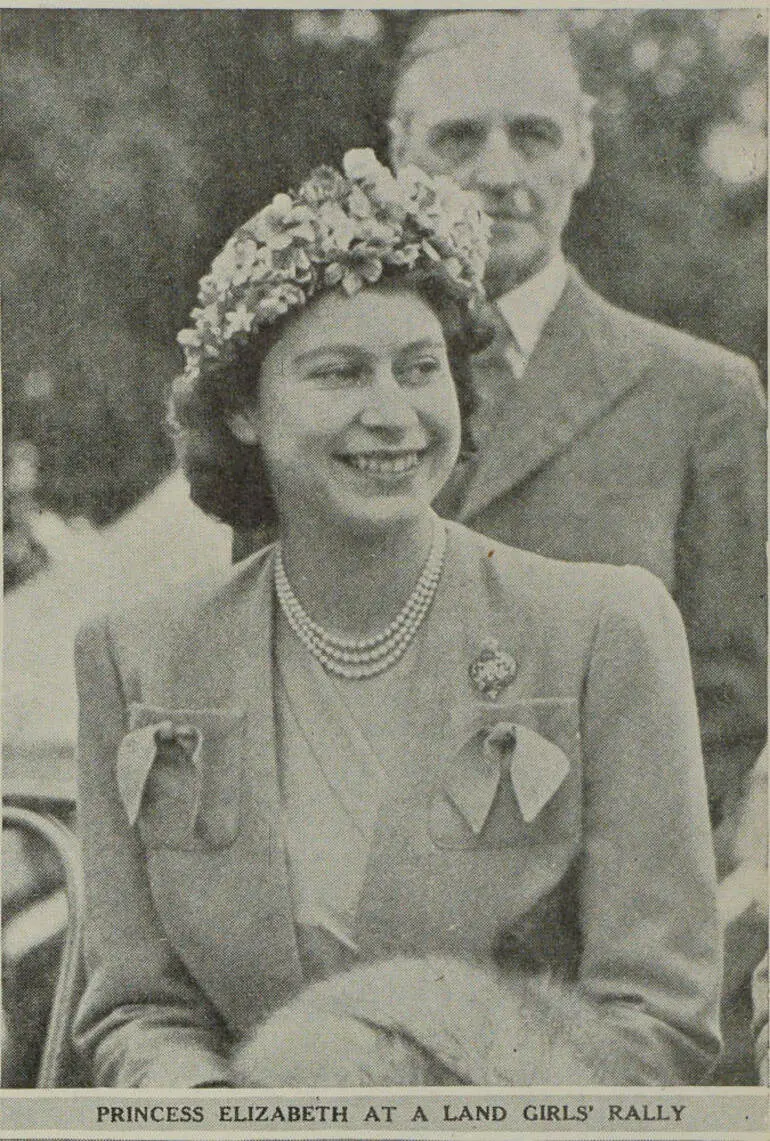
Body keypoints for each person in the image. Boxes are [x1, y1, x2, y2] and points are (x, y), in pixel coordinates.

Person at [73, 150, 720, 1088]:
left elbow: (656, 1021)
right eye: (339, 374)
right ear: (244, 411)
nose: (394, 413)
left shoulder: (603, 629)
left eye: (420, 369)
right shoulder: (134, 654)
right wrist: (210, 1104)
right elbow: (138, 1010)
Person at [387, 11, 767, 833]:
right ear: (398, 153)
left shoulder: (701, 395)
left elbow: (727, 707)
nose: (498, 171)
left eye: (534, 136)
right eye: (457, 139)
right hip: (353, 915)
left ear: (583, 153)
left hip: (588, 926)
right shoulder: (318, 387)